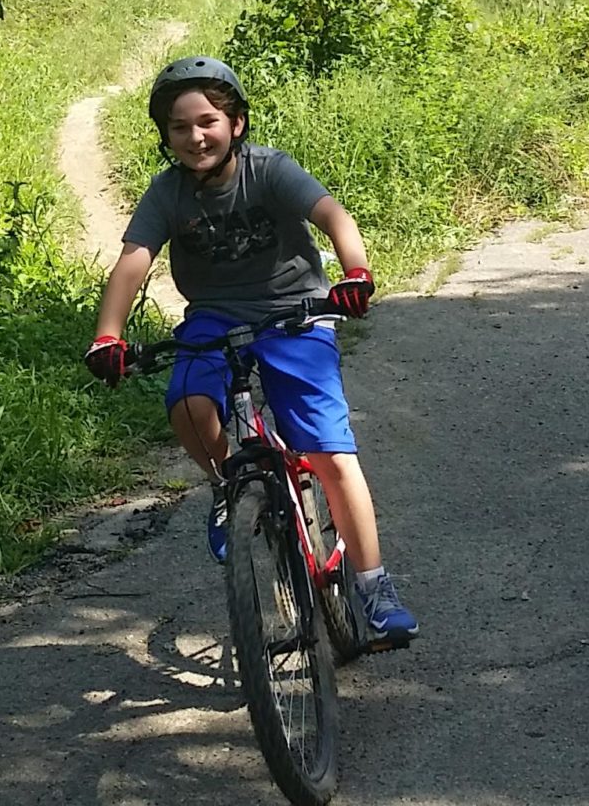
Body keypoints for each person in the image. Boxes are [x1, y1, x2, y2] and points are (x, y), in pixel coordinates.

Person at [83, 56, 417, 645]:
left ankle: (374, 584)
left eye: (208, 121)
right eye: (180, 127)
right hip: (214, 316)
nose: (195, 136)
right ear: (165, 137)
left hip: (294, 310)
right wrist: (108, 334)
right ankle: (224, 487)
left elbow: (332, 214)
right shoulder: (168, 193)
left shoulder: (268, 171)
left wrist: (355, 272)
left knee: (331, 453)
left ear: (236, 123)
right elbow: (134, 259)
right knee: (187, 401)